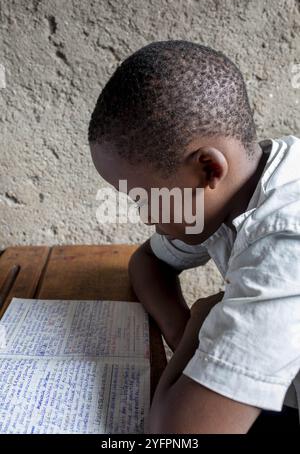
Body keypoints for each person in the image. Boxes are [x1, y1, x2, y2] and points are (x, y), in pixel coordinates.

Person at [88, 40, 300, 433]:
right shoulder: (235, 189)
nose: (145, 216)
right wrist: (183, 327)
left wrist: (201, 322)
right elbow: (147, 262)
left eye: (144, 198)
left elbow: (176, 436)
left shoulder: (285, 242)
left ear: (207, 169)